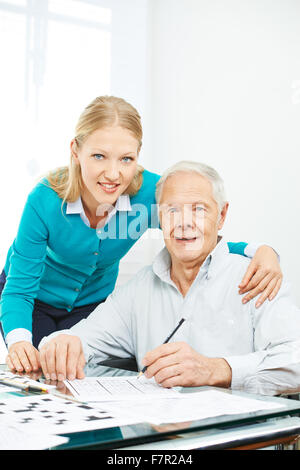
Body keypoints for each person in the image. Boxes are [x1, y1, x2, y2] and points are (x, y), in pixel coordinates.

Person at [1, 96, 281, 374]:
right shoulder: (44, 200)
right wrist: (18, 342)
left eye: (126, 159)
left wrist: (258, 250)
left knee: (80, 377)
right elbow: (18, 289)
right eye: (99, 156)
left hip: (90, 306)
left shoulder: (150, 194)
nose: (113, 174)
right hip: (31, 300)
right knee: (41, 373)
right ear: (76, 151)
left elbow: (192, 234)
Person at [38, 161, 300, 395]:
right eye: (172, 210)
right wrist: (59, 345)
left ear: (221, 216)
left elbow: (296, 361)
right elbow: (78, 340)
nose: (184, 222)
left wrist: (217, 370)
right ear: (160, 217)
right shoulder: (141, 287)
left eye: (198, 209)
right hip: (156, 440)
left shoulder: (257, 276)